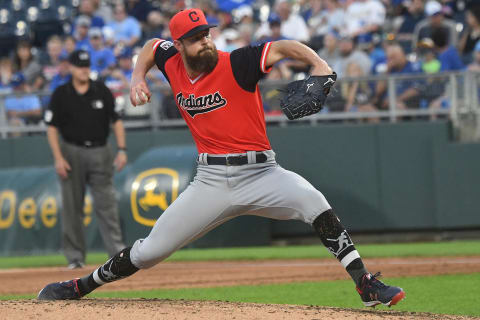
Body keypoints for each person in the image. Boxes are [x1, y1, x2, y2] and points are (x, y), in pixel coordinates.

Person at [37, 9, 406, 308]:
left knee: (316, 203)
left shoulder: (238, 63)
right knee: (151, 251)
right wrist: (138, 77)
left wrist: (320, 66)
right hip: (211, 181)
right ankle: (80, 286)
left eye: (208, 34)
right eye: (197, 39)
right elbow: (151, 45)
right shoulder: (172, 62)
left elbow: (283, 47)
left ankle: (365, 283)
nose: (206, 41)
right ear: (180, 45)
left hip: (263, 172)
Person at [43, 50, 127, 269]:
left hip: (100, 150)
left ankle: (116, 254)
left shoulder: (101, 90)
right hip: (71, 151)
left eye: (86, 66)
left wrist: (122, 149)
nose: (84, 70)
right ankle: (75, 257)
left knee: (106, 204)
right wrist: (58, 158)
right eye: (80, 66)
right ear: (70, 67)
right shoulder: (61, 93)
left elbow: (116, 121)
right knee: (72, 207)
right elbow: (51, 127)